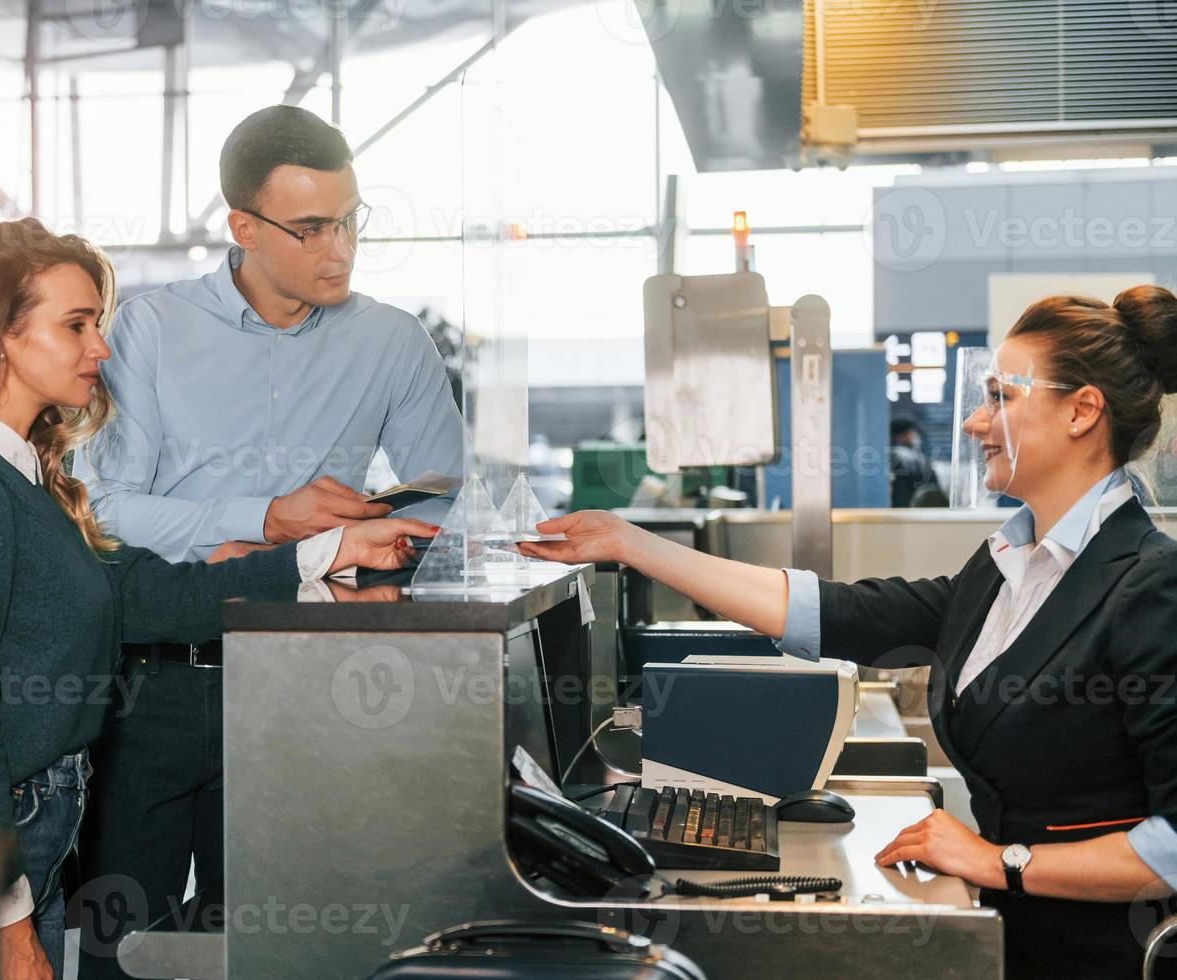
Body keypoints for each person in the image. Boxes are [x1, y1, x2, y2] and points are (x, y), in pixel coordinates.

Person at [521, 287, 1177, 979]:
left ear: (1082, 411)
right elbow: (840, 614)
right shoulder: (1010, 566)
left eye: (1001, 398)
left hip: (1100, 958)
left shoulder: (1149, 584)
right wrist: (635, 546)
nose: (976, 423)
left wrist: (998, 861)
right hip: (1015, 937)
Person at [0, 218, 436, 980]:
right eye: (75, 325)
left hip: (31, 827)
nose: (101, 346)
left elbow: (140, 592)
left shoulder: (21, 478)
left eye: (96, 321)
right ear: (0, 337)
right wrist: (2, 918)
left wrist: (326, 551)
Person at [71, 104, 464, 978]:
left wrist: (381, 548)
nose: (341, 248)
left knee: (276, 949)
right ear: (243, 227)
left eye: (352, 220)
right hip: (156, 685)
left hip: (306, 683)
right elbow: (102, 509)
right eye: (313, 226)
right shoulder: (150, 331)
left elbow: (441, 506)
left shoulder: (393, 344)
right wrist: (267, 519)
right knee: (119, 947)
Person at [889, 418, 937, 507]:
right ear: (900, 436)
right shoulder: (910, 459)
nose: (915, 437)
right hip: (916, 510)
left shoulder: (889, 457)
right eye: (911, 433)